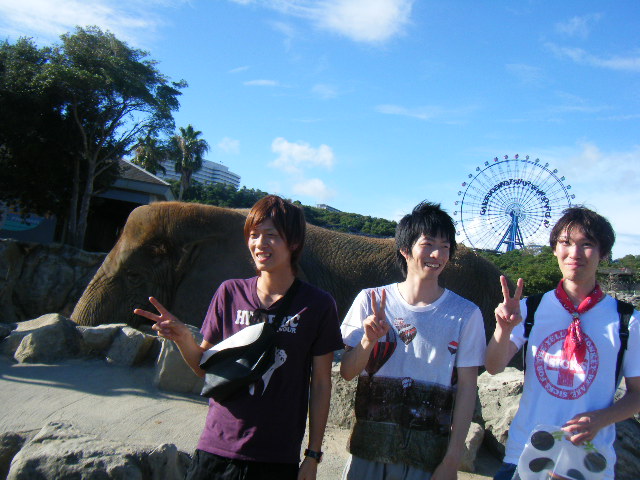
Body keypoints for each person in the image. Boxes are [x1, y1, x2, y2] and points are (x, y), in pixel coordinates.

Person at [134, 195, 343, 480]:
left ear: (294, 242)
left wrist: (313, 455)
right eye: (254, 235)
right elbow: (206, 370)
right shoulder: (229, 293)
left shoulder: (317, 304)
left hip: (276, 455)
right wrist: (183, 338)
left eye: (271, 235)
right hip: (216, 447)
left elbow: (320, 384)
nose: (260, 244)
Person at [485, 206, 640, 480]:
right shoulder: (530, 309)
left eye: (587, 244)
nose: (574, 253)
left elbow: (637, 393)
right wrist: (503, 329)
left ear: (604, 253)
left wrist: (602, 419)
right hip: (524, 457)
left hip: (586, 464)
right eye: (565, 243)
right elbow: (493, 366)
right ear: (555, 249)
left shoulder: (627, 321)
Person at [340, 201, 486, 480]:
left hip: (428, 457)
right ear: (405, 249)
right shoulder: (371, 300)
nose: (437, 254)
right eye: (428, 244)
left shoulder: (466, 314)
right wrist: (368, 341)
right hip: (369, 449)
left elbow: (468, 388)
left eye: (445, 247)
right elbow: (347, 372)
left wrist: (453, 459)